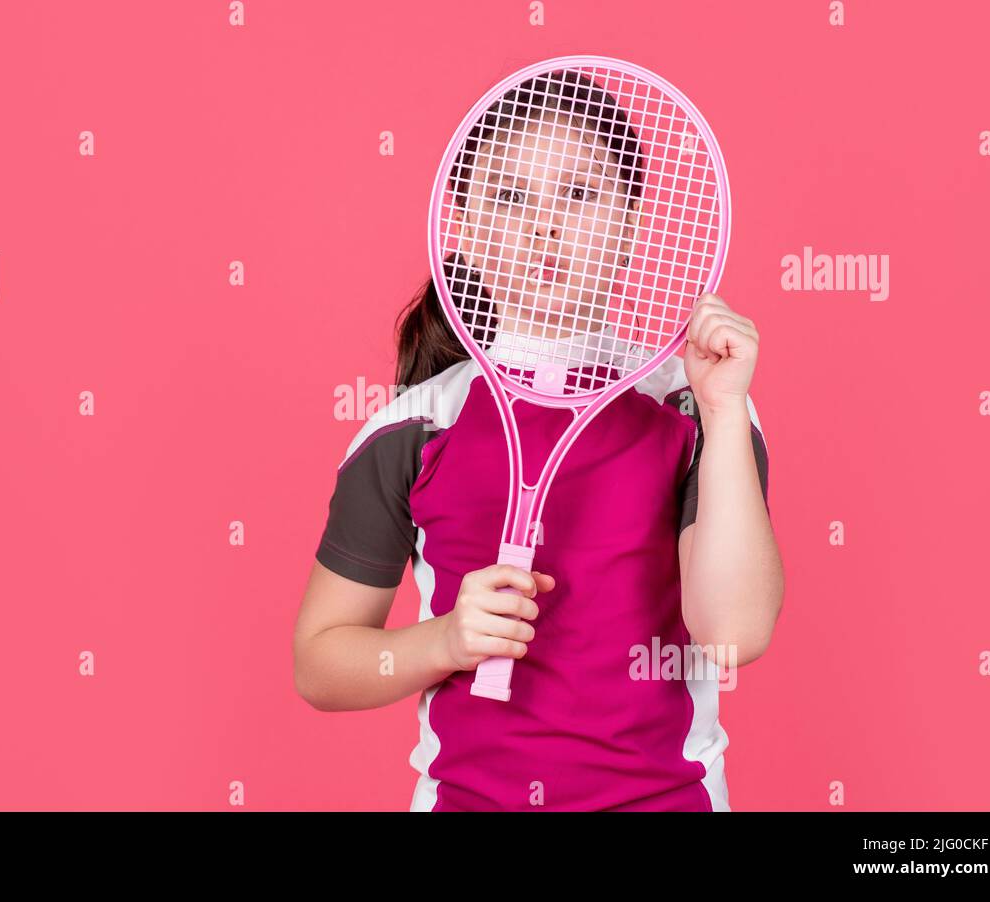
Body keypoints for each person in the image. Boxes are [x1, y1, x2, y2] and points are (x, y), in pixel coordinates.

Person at [293, 70, 784, 811]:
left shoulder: (694, 411)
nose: (544, 226)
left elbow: (733, 634)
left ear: (630, 228)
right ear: (465, 230)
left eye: (579, 194)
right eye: (510, 197)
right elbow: (320, 665)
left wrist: (723, 409)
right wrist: (446, 642)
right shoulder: (413, 429)